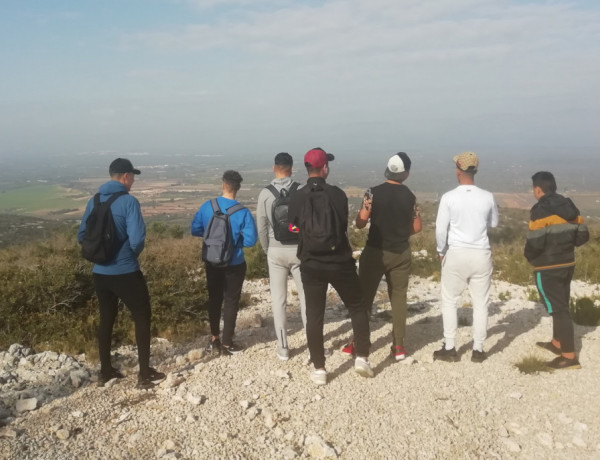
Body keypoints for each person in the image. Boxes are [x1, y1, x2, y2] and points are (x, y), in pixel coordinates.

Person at [77, 158, 165, 389]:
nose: (133, 181)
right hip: (125, 271)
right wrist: (127, 256)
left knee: (107, 318)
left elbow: (81, 235)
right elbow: (137, 239)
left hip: (99, 272)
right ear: (125, 176)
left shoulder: (94, 200)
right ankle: (144, 373)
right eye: (133, 176)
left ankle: (105, 370)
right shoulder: (128, 202)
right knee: (142, 315)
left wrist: (100, 256)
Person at [288, 147, 372, 385]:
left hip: (311, 263)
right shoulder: (338, 194)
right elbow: (342, 223)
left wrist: (305, 232)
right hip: (339, 262)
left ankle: (319, 369)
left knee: (314, 315)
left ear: (307, 168)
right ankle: (362, 357)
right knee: (357, 306)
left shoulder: (298, 196)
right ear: (325, 167)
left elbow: (292, 228)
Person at [348, 152, 422, 362]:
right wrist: (398, 232)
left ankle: (357, 342)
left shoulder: (373, 192)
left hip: (375, 252)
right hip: (401, 253)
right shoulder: (410, 196)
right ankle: (398, 346)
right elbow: (417, 227)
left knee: (365, 298)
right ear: (406, 174)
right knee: (398, 297)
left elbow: (361, 223)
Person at [434, 151, 498, 363]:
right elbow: (494, 224)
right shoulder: (487, 196)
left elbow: (441, 230)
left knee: (450, 301)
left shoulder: (449, 197)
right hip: (481, 253)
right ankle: (478, 349)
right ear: (475, 171)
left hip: (456, 253)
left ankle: (450, 346)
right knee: (481, 303)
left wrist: (441, 251)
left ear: (458, 171)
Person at [524, 171, 589, 370]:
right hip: (568, 264)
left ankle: (569, 357)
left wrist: (531, 257)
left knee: (558, 309)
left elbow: (534, 243)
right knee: (562, 302)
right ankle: (557, 342)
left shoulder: (540, 210)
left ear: (537, 189)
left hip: (547, 267)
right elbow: (583, 236)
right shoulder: (570, 206)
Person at [191, 170, 258, 356]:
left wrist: (212, 240)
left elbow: (195, 229)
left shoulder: (207, 206)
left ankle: (214, 339)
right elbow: (252, 240)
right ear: (238, 188)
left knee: (214, 299)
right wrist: (234, 245)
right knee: (231, 301)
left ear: (223, 184)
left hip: (212, 261)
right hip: (234, 262)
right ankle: (228, 342)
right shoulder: (243, 212)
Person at [256, 152, 307, 361]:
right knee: (306, 298)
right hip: (299, 250)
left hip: (276, 251)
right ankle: (313, 347)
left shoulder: (265, 194)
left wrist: (268, 250)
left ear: (274, 167)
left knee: (279, 301)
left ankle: (283, 348)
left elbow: (261, 227)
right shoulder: (301, 190)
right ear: (291, 168)